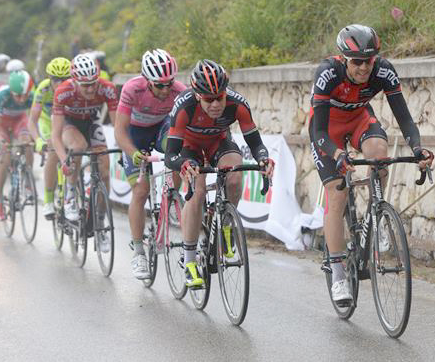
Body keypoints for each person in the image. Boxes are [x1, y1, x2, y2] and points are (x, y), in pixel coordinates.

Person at [308, 24, 434, 303]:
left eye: (370, 60)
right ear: (344, 59)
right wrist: (337, 154)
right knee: (337, 193)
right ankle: (339, 273)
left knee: (379, 154)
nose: (365, 68)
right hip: (327, 131)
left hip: (359, 120)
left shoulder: (383, 70)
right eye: (358, 62)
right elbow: (317, 132)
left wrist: (417, 148)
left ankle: (375, 215)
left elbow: (404, 118)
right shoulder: (327, 73)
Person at [164, 59, 275, 287]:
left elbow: (255, 143)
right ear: (197, 95)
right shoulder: (184, 107)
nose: (216, 104)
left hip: (218, 141)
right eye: (209, 99)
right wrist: (183, 164)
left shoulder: (237, 104)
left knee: (234, 174)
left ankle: (225, 224)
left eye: (220, 97)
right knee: (198, 191)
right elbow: (170, 156)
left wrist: (263, 159)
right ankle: (190, 261)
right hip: (189, 146)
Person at [114, 49, 186, 280]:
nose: (166, 90)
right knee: (141, 190)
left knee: (178, 147)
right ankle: (138, 252)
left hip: (161, 129)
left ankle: (172, 195)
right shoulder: (132, 89)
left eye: (169, 83)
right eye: (159, 85)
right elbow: (119, 130)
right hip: (135, 135)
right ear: (147, 81)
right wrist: (133, 152)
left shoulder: (179, 91)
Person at [51, 53, 118, 248]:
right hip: (69, 124)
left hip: (92, 122)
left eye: (93, 83)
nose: (90, 89)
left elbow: (117, 126)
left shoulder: (107, 88)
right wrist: (64, 160)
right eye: (84, 85)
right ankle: (70, 194)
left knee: (105, 173)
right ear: (75, 81)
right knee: (78, 147)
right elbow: (55, 135)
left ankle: (99, 221)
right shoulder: (63, 91)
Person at [28, 57, 71, 219]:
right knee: (53, 152)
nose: (60, 84)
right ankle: (48, 199)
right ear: (49, 79)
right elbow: (32, 120)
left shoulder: (74, 89)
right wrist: (38, 140)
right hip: (47, 121)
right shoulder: (43, 89)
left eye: (64, 79)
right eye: (55, 80)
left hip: (66, 120)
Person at [0, 70, 34, 220]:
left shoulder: (32, 97)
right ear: (11, 91)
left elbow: (33, 121)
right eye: (18, 96)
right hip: (1, 123)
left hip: (19, 121)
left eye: (25, 95)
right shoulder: (2, 95)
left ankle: (28, 181)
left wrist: (35, 138)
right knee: (5, 159)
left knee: (27, 144)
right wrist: (2, 142)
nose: (22, 99)